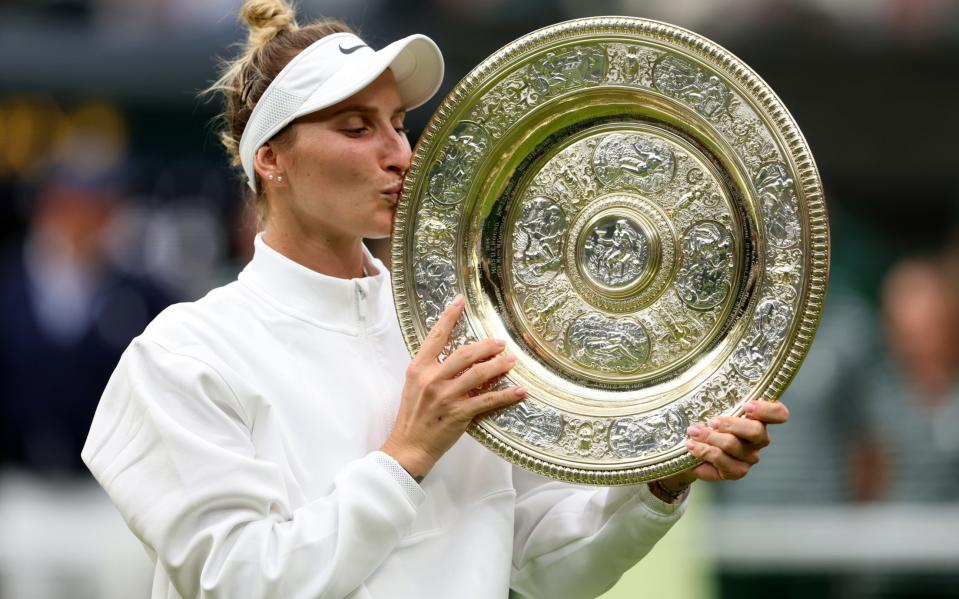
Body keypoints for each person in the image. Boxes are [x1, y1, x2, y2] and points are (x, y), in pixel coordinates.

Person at [82, 1, 788, 597]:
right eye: (356, 128)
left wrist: (658, 479)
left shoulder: (467, 324)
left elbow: (543, 564)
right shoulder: (183, 352)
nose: (399, 152)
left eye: (396, 123)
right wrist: (406, 454)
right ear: (270, 159)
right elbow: (237, 580)